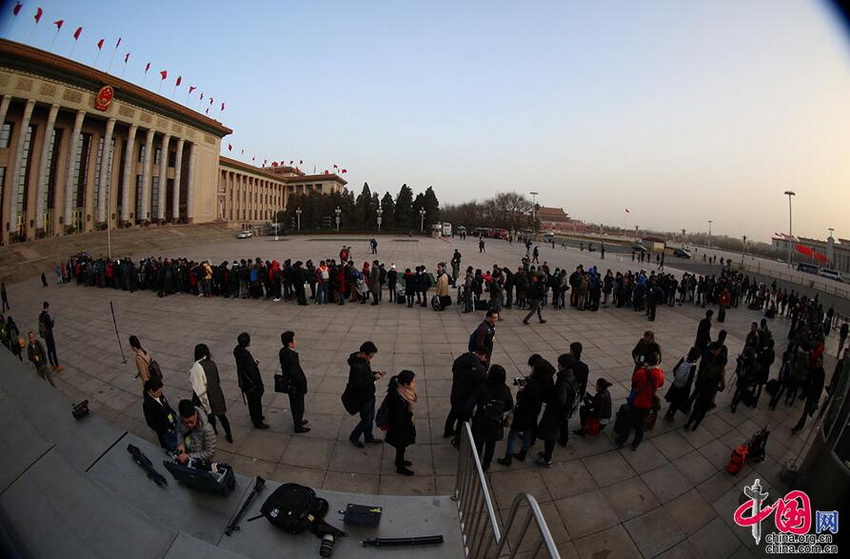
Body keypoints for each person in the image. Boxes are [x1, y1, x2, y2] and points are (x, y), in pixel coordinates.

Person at [497, 355, 554, 467]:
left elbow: (521, 397)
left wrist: (521, 391)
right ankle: (523, 452)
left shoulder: (532, 386)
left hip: (523, 412)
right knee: (529, 430)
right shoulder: (545, 382)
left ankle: (508, 457)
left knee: (513, 434)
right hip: (534, 411)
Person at [464, 364, 513, 471]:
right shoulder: (505, 390)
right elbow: (509, 405)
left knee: (478, 444)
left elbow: (470, 403)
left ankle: (476, 462)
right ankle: (486, 464)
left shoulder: (483, 387)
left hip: (481, 422)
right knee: (491, 445)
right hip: (495, 423)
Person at [535, 355, 578, 467]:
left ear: (563, 366)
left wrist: (552, 405)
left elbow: (561, 400)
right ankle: (547, 454)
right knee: (552, 435)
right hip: (561, 414)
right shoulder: (570, 375)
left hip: (555, 414)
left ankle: (547, 459)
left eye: (559, 364)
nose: (558, 365)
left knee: (550, 436)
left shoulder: (563, 382)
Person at [616, 352, 664, 450]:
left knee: (628, 422)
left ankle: (622, 440)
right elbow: (661, 384)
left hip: (637, 402)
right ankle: (636, 443)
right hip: (648, 403)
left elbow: (634, 381)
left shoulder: (641, 372)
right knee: (642, 425)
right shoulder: (659, 374)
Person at [444, 346, 488, 445]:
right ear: (482, 355)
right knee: (463, 419)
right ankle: (458, 440)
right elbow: (482, 384)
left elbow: (454, 369)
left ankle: (448, 430)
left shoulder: (460, 359)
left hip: (456, 393)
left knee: (453, 412)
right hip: (467, 398)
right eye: (485, 357)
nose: (485, 360)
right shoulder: (480, 369)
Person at [189, 343, 233, 443]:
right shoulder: (211, 363)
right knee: (222, 416)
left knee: (210, 416)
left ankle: (214, 431)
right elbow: (217, 379)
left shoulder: (197, 368)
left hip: (207, 397)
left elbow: (197, 386)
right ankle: (229, 435)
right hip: (217, 394)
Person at [347, 341, 385, 447]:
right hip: (363, 398)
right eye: (371, 356)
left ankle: (369, 437)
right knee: (366, 420)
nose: (371, 358)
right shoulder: (357, 367)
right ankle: (354, 437)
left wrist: (374, 373)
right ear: (363, 354)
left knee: (370, 418)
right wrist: (374, 377)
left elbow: (366, 375)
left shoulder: (362, 361)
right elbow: (360, 385)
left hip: (369, 396)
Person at [685, 343, 726, 431]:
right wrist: (716, 388)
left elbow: (703, 375)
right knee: (703, 411)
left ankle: (688, 423)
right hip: (710, 392)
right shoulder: (721, 371)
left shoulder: (709, 365)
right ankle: (695, 426)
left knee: (697, 407)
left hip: (703, 389)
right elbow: (723, 386)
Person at [384, 370, 418, 476]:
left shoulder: (401, 392)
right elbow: (398, 418)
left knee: (401, 448)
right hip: (399, 429)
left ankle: (400, 461)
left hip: (401, 428)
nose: (414, 383)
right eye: (413, 382)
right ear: (405, 384)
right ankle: (400, 466)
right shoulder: (399, 399)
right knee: (401, 446)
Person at [233, 332, 268, 429]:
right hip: (251, 384)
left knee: (251, 401)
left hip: (244, 382)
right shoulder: (245, 356)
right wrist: (258, 383)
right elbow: (251, 372)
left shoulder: (238, 351)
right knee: (255, 402)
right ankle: (258, 421)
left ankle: (255, 417)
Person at [279, 330, 310, 433]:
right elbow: (295, 374)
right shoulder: (290, 357)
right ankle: (298, 426)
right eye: (294, 339)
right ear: (290, 343)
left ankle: (298, 421)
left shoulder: (283, 351)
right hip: (295, 387)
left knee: (295, 405)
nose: (295, 341)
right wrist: (303, 383)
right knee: (298, 406)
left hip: (290, 385)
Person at [174, 399, 217, 464]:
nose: (189, 425)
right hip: (189, 457)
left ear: (196, 414)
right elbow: (179, 431)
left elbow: (209, 452)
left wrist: (189, 456)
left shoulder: (207, 429)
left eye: (191, 422)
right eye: (185, 422)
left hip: (203, 462)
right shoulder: (180, 420)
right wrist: (181, 444)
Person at [664, 347, 699, 422]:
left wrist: (677, 378)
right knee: (677, 403)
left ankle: (668, 413)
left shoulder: (684, 359)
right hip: (683, 388)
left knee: (673, 400)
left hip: (676, 384)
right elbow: (690, 380)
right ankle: (671, 415)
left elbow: (674, 369)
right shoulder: (693, 365)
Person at [791, 356, 825, 434]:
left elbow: (820, 386)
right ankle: (800, 425)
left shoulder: (821, 373)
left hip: (812, 396)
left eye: (819, 362)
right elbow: (808, 379)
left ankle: (798, 426)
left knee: (805, 412)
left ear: (822, 363)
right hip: (809, 393)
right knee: (805, 412)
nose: (818, 363)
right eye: (817, 361)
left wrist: (817, 397)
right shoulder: (813, 369)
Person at [142, 377, 178, 451]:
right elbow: (151, 423)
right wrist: (164, 429)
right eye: (158, 392)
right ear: (151, 391)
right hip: (165, 432)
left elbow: (166, 405)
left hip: (172, 423)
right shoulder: (148, 405)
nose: (160, 393)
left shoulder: (159, 395)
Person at [38, 301, 62, 371]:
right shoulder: (46, 316)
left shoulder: (41, 315)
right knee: (53, 350)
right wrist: (53, 320)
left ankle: (52, 365)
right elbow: (50, 325)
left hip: (45, 335)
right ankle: (57, 365)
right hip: (49, 335)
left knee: (49, 350)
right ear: (47, 307)